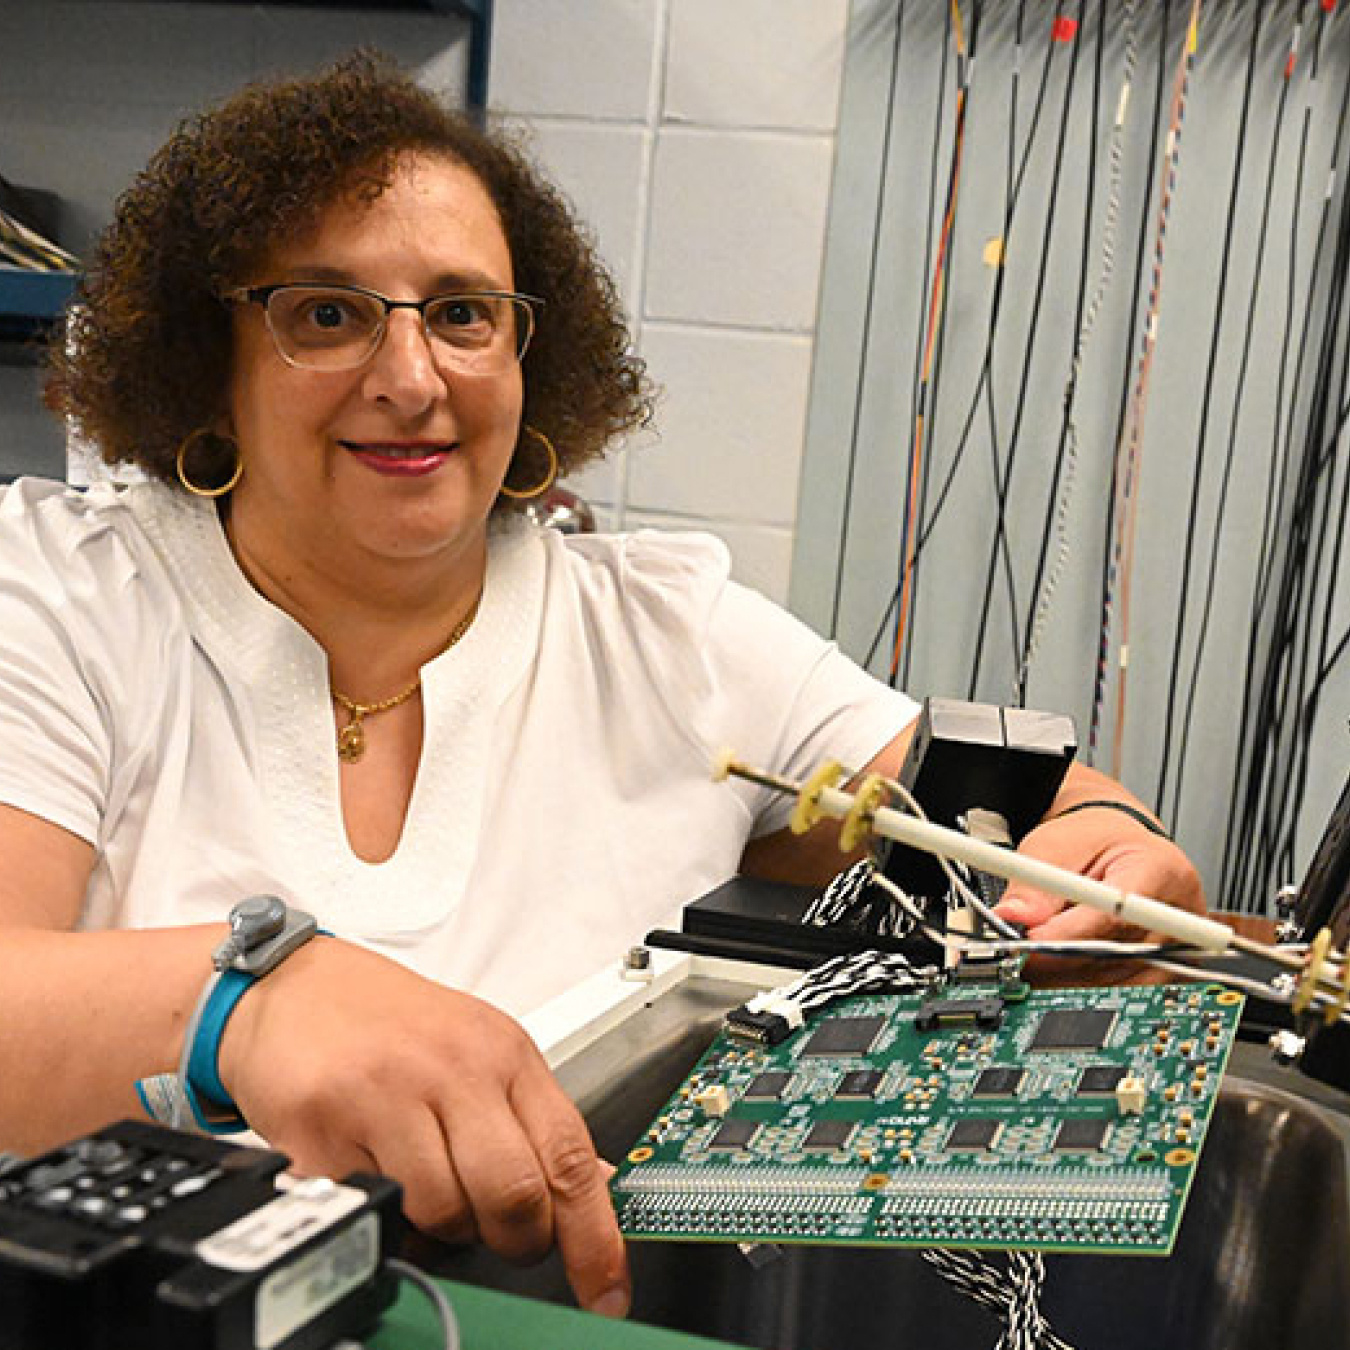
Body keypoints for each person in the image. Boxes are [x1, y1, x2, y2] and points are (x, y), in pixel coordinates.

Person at [0, 54, 1203, 1319]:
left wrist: (1107, 848)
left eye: (463, 315)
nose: (412, 378)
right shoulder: (66, 596)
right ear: (209, 361)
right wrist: (243, 1009)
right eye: (328, 314)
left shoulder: (666, 631)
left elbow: (1018, 811)